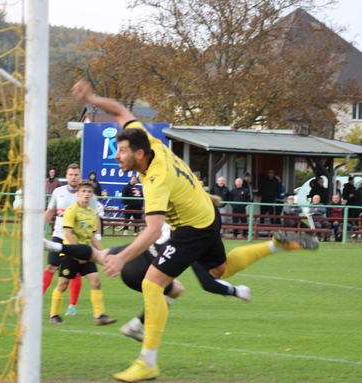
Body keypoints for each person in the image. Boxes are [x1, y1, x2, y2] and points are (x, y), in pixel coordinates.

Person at [71, 79, 319, 382]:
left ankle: (148, 362)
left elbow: (152, 231)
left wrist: (121, 259)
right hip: (206, 214)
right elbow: (121, 110)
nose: (116, 156)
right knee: (220, 272)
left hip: (192, 227)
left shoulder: (155, 179)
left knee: (152, 285)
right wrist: (93, 98)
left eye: (121, 151)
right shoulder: (152, 144)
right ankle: (275, 246)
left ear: (138, 154)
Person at [44, 226, 317, 340]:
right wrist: (236, 292)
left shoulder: (170, 221)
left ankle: (48, 242)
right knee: (181, 285)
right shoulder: (192, 239)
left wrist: (51, 245)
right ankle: (142, 342)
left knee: (99, 255)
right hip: (146, 273)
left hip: (134, 258)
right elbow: (209, 283)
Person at [49, 181, 117, 326]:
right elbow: (67, 233)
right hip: (70, 253)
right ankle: (54, 315)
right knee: (63, 284)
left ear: (92, 194)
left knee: (96, 282)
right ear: (78, 194)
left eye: (89, 191)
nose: (86, 194)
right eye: (84, 191)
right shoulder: (71, 211)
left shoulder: (92, 213)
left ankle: (99, 316)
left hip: (87, 253)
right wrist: (78, 253)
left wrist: (101, 253)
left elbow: (92, 236)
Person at [43, 163, 100, 317]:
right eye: (71, 174)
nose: (73, 177)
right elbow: (50, 211)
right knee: (51, 266)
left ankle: (72, 306)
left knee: (76, 273)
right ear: (66, 176)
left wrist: (97, 237)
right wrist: (37, 228)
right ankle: (37, 300)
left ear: (80, 176)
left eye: (76, 175)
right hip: (59, 236)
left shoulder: (88, 195)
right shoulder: (58, 192)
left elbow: (96, 218)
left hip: (79, 239)